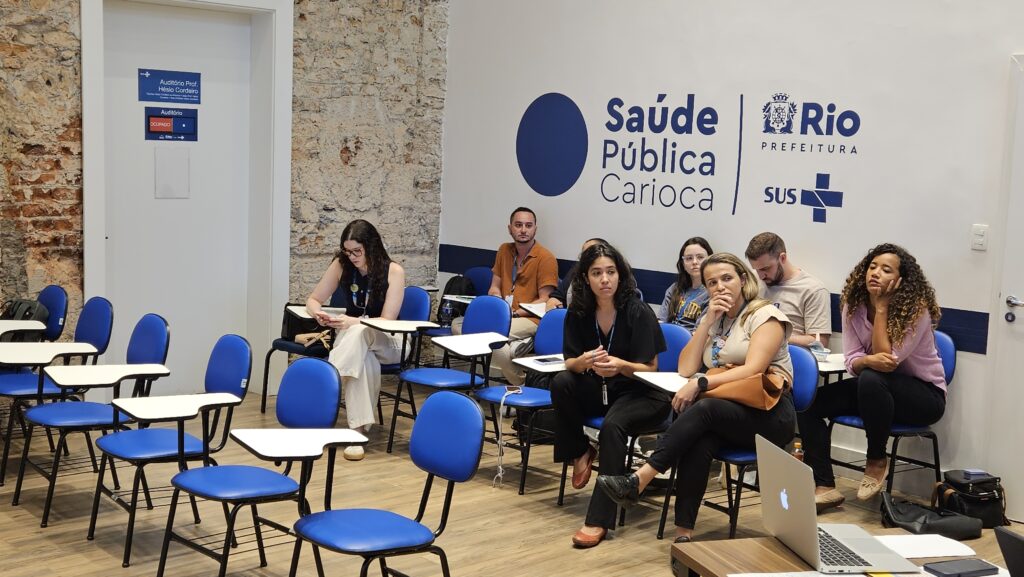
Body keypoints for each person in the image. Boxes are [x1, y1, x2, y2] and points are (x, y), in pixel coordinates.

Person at [595, 253, 796, 543]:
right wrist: (706, 323)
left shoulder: (765, 316)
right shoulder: (716, 318)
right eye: (712, 283)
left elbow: (753, 369)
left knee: (705, 407)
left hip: (770, 413)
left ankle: (641, 478)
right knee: (699, 440)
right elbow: (686, 368)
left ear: (743, 279)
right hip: (729, 412)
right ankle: (684, 534)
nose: (720, 287)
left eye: (727, 278)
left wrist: (702, 382)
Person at [797, 243, 946, 509]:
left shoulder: (916, 310)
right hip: (875, 392)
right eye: (872, 267)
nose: (875, 273)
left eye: (886, 270)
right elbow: (853, 361)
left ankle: (876, 458)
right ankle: (824, 486)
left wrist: (882, 308)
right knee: (809, 404)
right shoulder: (853, 306)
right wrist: (866, 361)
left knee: (871, 378)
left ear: (901, 280)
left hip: (923, 398)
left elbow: (887, 361)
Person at [549, 243, 670, 548]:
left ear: (620, 275)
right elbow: (569, 363)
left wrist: (620, 366)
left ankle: (598, 520)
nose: (605, 279)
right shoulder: (578, 312)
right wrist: (584, 362)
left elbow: (651, 368)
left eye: (611, 272)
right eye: (597, 273)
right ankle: (580, 450)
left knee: (612, 427)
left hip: (640, 392)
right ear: (585, 278)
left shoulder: (637, 310)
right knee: (561, 382)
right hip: (602, 387)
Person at [306, 219, 406, 461]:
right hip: (355, 346)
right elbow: (313, 299)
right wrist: (318, 314)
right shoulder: (341, 265)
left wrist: (354, 322)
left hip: (390, 341)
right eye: (347, 251)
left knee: (360, 332)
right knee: (364, 360)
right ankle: (356, 435)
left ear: (371, 246)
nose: (351, 257)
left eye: (356, 251)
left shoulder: (393, 271)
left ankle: (327, 382)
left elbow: (388, 320)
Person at [455, 207, 559, 386]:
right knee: (458, 324)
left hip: (530, 318)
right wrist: (497, 299)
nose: (523, 230)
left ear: (535, 229)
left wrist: (515, 313)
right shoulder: (504, 250)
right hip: (503, 316)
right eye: (518, 225)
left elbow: (545, 300)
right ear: (510, 228)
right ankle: (517, 345)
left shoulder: (546, 258)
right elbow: (494, 286)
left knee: (491, 335)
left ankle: (520, 383)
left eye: (528, 225)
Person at [745, 232, 832, 348]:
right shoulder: (753, 280)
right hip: (749, 348)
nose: (761, 276)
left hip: (788, 354)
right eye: (757, 270)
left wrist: (774, 337)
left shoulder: (812, 289)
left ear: (783, 258)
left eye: (766, 268)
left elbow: (820, 343)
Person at [658, 237, 713, 331]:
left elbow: (700, 331)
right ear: (683, 264)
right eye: (689, 258)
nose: (694, 262)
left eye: (700, 257)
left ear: (710, 260)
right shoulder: (674, 288)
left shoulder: (712, 293)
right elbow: (661, 321)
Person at [545, 238, 609, 311]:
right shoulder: (577, 269)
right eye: (584, 253)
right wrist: (552, 301)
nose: (586, 256)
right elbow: (558, 295)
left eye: (591, 252)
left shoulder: (606, 281)